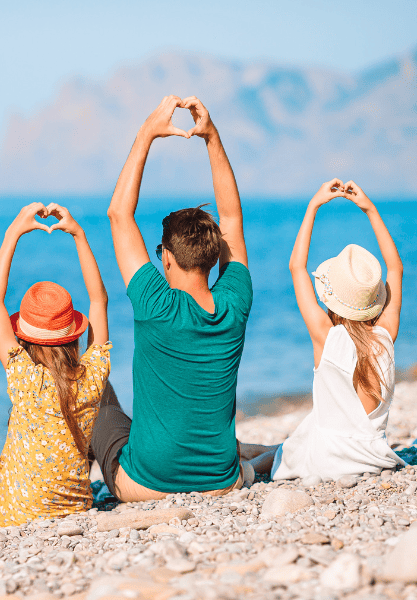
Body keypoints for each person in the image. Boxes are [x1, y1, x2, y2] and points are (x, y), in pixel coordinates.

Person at [90, 95, 255, 502]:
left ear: (164, 256)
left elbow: (119, 215)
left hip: (145, 486)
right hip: (221, 481)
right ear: (216, 255)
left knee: (97, 398)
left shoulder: (155, 305)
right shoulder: (235, 303)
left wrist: (147, 131)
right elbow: (231, 218)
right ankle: (253, 463)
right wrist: (212, 137)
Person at [248, 179, 406, 480]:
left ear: (333, 302)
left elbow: (297, 267)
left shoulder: (327, 336)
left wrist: (314, 206)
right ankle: (252, 453)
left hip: (326, 460)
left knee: (293, 445)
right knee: (301, 435)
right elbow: (395, 267)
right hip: (373, 457)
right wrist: (370, 210)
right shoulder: (386, 336)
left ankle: (244, 467)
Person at [0, 202, 110, 525]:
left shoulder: (26, 378)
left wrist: (13, 232)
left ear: (23, 336)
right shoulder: (93, 377)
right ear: (73, 335)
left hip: (13, 514)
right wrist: (79, 235)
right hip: (77, 509)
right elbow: (98, 300)